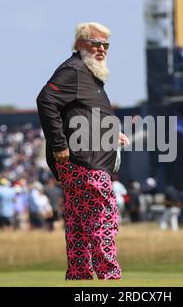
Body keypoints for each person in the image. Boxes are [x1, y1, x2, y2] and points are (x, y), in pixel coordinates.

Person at [36, 22, 129, 280]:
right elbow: (46, 100)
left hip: (83, 160)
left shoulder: (89, 73)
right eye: (95, 43)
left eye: (105, 45)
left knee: (79, 222)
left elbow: (83, 114)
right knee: (103, 216)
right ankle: (108, 275)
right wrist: (59, 145)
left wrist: (111, 132)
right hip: (85, 161)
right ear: (79, 45)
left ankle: (80, 275)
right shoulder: (75, 69)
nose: (101, 49)